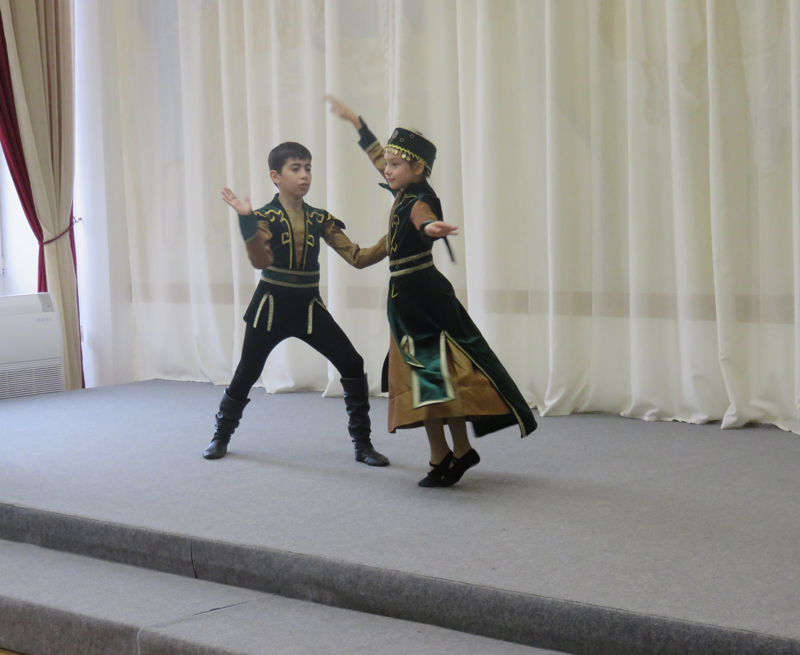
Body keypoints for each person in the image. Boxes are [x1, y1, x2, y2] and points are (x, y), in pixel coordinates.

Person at [326, 96, 537, 487]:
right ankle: (447, 452)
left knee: (433, 379)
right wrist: (357, 123)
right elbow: (379, 158)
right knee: (426, 382)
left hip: (423, 302)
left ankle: (453, 451)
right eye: (388, 164)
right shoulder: (403, 190)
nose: (387, 169)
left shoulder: (419, 199)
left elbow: (423, 217)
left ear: (418, 168)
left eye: (395, 164)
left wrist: (430, 228)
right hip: (406, 303)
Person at [203, 141, 390, 467]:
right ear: (275, 176)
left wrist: (395, 238)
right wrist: (247, 221)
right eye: (296, 168)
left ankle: (363, 445)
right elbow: (260, 260)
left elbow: (357, 258)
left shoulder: (320, 218)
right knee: (246, 373)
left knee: (352, 363)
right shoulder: (265, 216)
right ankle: (220, 436)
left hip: (308, 308)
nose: (305, 175)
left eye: (308, 168)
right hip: (271, 307)